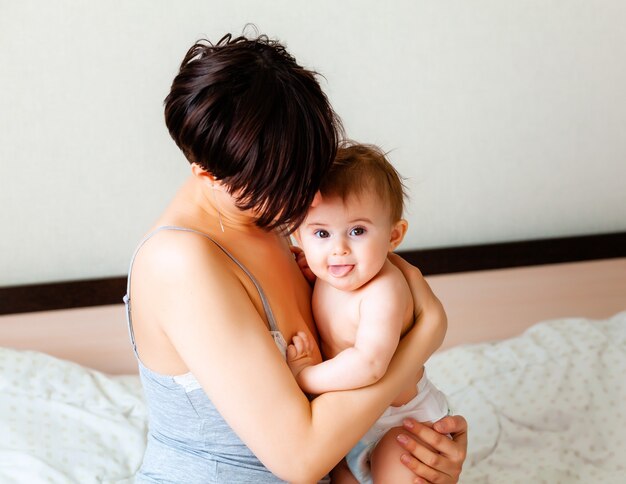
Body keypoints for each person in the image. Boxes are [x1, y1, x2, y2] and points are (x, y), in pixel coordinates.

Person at [124, 32, 467, 483]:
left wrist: (418, 450)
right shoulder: (179, 263)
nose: (311, 195)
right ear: (206, 175)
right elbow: (301, 460)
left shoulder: (266, 216)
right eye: (284, 182)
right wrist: (425, 335)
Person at [288, 143, 450, 483]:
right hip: (353, 426)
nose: (339, 248)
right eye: (321, 233)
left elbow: (370, 364)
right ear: (299, 236)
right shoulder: (328, 273)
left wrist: (306, 376)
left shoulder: (384, 290)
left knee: (398, 464)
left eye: (357, 231)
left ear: (394, 235)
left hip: (402, 424)